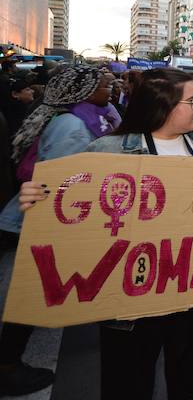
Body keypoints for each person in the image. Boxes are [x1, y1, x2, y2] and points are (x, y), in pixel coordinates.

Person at [71, 68, 193, 399]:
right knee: (129, 380)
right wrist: (42, 197)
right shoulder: (108, 151)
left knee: (188, 380)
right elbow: (73, 210)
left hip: (192, 291)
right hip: (131, 293)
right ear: (163, 104)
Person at [0, 65, 112, 396]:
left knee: (38, 291)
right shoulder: (73, 127)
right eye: (103, 86)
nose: (108, 90)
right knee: (34, 294)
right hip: (42, 222)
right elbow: (66, 185)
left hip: (32, 218)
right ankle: (7, 365)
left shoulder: (61, 118)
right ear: (86, 93)